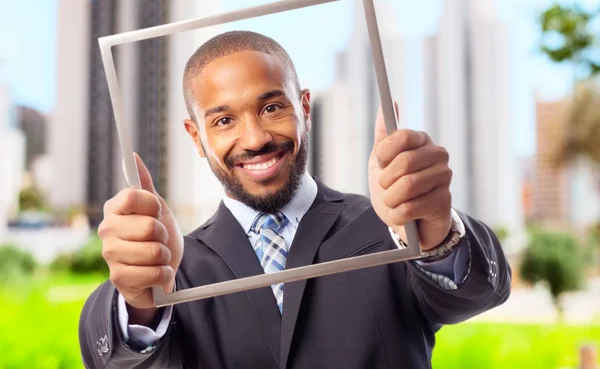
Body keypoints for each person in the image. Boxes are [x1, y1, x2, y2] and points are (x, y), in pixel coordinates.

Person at [78, 31, 511, 369]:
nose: (255, 139)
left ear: (305, 108)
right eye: (225, 120)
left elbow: (478, 293)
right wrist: (137, 299)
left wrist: (433, 231)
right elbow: (115, 360)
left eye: (271, 108)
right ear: (197, 137)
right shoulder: (173, 268)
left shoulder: (390, 227)